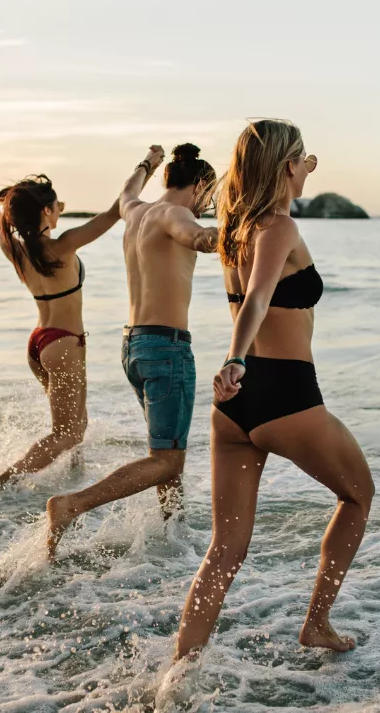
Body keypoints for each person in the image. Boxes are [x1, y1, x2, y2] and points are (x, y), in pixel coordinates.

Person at [173, 120, 374, 658]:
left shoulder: (236, 230)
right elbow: (260, 299)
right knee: (358, 496)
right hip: (287, 396)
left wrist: (300, 170)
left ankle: (179, 667)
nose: (309, 167)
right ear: (287, 167)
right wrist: (234, 357)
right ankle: (318, 623)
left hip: (235, 409)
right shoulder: (279, 228)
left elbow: (252, 293)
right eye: (302, 160)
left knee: (225, 549)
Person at [0, 148, 162, 500]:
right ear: (45, 211)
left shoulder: (16, 249)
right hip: (63, 344)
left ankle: (72, 481)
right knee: (68, 434)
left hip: (40, 343)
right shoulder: (62, 246)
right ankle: (1, 481)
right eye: (58, 205)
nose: (61, 209)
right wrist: (147, 165)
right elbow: (116, 211)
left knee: (76, 425)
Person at [45, 143, 219, 558]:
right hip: (166, 347)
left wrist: (146, 163)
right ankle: (72, 506)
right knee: (167, 461)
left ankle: (173, 535)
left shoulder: (135, 209)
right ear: (197, 185)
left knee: (165, 450)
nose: (208, 202)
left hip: (134, 345)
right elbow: (199, 238)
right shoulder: (177, 214)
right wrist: (244, 226)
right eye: (208, 193)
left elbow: (127, 188)